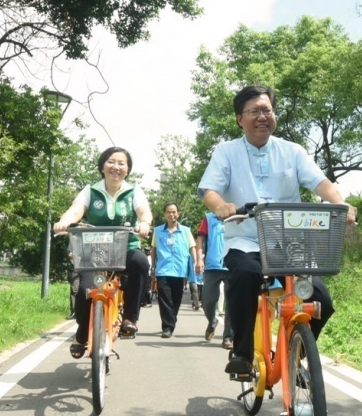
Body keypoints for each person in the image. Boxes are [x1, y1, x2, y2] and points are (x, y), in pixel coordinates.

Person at [198, 84, 357, 377]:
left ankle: (294, 354)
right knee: (244, 277)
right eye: (255, 111)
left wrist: (340, 203)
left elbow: (321, 183)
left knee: (321, 299)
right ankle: (243, 353)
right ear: (239, 119)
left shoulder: (292, 151)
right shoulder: (226, 152)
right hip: (245, 240)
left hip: (291, 244)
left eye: (267, 110)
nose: (262, 116)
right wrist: (220, 205)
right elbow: (210, 190)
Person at [53, 147, 152, 359]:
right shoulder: (91, 190)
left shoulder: (134, 191)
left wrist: (144, 222)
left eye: (121, 163)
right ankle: (81, 333)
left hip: (126, 248)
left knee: (141, 263)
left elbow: (144, 211)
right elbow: (76, 209)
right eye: (111, 162)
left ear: (127, 170)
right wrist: (65, 221)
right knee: (83, 292)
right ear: (102, 166)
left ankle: (130, 319)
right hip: (93, 251)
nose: (116, 167)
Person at [148, 203, 199, 338]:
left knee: (176, 299)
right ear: (164, 214)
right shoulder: (158, 231)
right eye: (169, 212)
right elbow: (153, 249)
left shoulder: (186, 231)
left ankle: (171, 321)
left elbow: (192, 247)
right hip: (163, 269)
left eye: (174, 212)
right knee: (164, 298)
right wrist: (152, 266)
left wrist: (196, 262)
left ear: (178, 213)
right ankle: (167, 327)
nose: (171, 215)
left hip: (179, 270)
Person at [197, 212, 233, 349]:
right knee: (207, 300)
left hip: (232, 264)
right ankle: (212, 321)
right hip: (212, 265)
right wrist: (199, 259)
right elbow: (200, 238)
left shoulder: (237, 214)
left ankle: (228, 337)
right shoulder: (209, 218)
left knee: (232, 302)